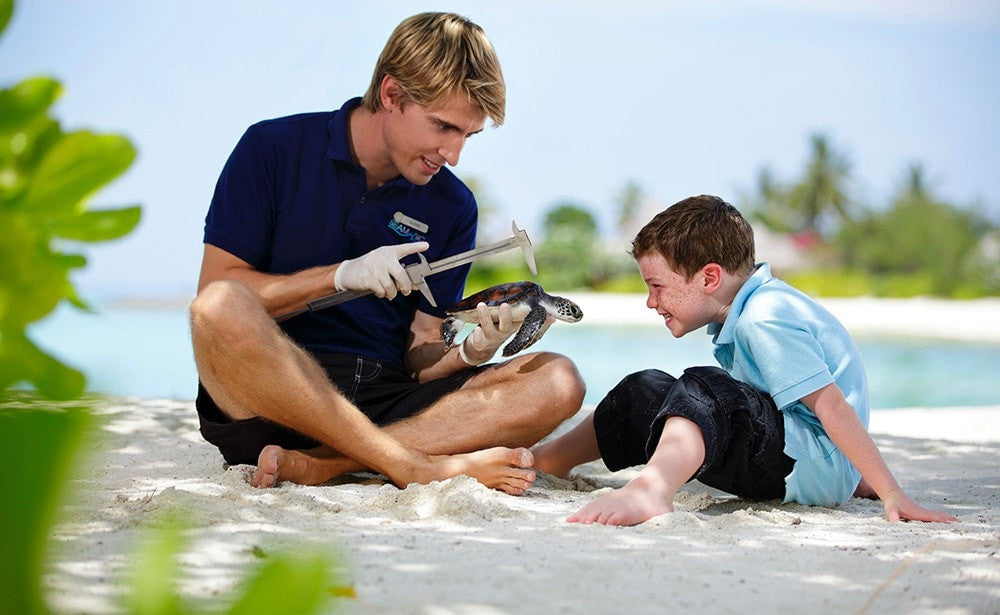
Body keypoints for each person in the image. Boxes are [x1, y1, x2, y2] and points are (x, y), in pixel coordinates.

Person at [189, 12, 584, 496]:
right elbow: (217, 288)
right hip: (270, 397)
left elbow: (420, 357)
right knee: (216, 306)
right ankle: (407, 463)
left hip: (386, 398)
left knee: (559, 381)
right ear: (391, 94)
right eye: (443, 127)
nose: (454, 154)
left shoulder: (453, 204)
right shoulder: (271, 148)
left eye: (467, 135)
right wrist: (339, 277)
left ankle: (325, 465)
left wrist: (471, 350)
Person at [532, 195, 958, 525]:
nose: (650, 301)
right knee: (644, 389)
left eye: (658, 286)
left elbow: (830, 404)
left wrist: (889, 491)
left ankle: (651, 490)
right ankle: (546, 460)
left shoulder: (764, 318)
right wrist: (851, 475)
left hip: (802, 467)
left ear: (710, 277)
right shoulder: (751, 309)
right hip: (805, 457)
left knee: (704, 386)